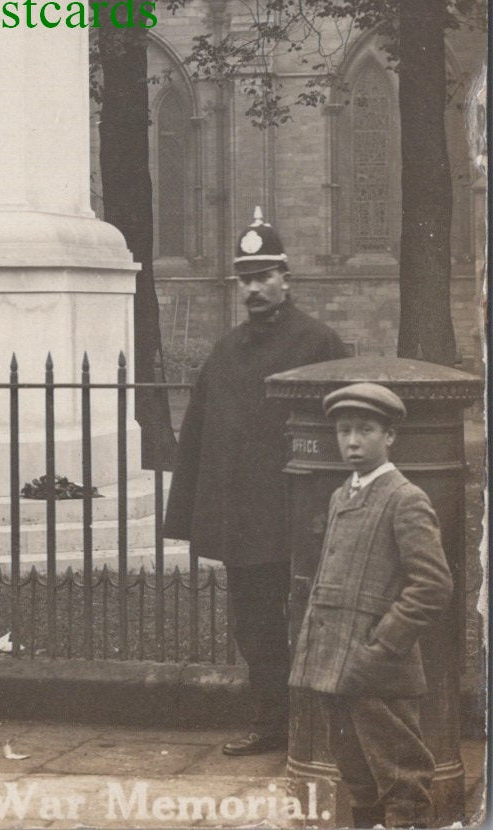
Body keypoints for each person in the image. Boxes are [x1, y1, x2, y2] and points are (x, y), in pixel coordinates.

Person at [164, 208, 347, 755]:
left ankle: (326, 726)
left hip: (305, 515)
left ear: (286, 278)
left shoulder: (319, 343)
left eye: (264, 275)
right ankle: (274, 723)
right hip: (247, 521)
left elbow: (345, 431)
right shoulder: (226, 351)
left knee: (320, 620)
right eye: (245, 278)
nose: (254, 288)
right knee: (255, 626)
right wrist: (194, 512)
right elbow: (199, 434)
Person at [289, 384, 453, 829]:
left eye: (365, 430)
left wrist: (382, 644)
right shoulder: (342, 494)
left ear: (390, 436)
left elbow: (432, 585)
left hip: (378, 668)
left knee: (401, 776)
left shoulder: (404, 497)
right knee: (356, 771)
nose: (353, 442)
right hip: (334, 664)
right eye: (344, 431)